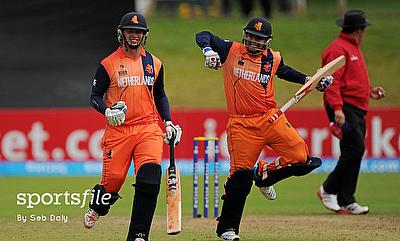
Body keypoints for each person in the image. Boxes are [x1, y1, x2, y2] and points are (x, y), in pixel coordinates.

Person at [195, 17, 333, 241]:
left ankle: (265, 175)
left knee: (302, 158)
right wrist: (208, 50)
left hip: (271, 118)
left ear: (267, 41)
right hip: (242, 124)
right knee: (239, 177)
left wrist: (310, 80)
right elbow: (203, 34)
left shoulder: (273, 58)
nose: (253, 41)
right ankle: (227, 228)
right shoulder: (231, 50)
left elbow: (285, 71)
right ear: (244, 35)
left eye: (259, 39)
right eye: (250, 36)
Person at [83, 12, 182, 241]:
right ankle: (98, 206)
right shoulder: (108, 65)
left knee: (150, 178)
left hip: (148, 128)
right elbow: (95, 96)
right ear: (122, 34)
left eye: (138, 32)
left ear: (144, 35)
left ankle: (138, 235)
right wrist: (107, 111)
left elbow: (160, 94)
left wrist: (167, 121)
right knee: (112, 183)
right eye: (130, 31)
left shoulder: (154, 63)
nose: (134, 35)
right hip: (119, 131)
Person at [317, 9, 385, 215]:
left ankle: (347, 199)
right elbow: (331, 82)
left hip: (357, 107)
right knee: (355, 149)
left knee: (352, 151)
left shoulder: (352, 48)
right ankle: (327, 189)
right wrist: (337, 108)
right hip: (344, 107)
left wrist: (369, 91)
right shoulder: (338, 49)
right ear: (360, 29)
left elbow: (350, 81)